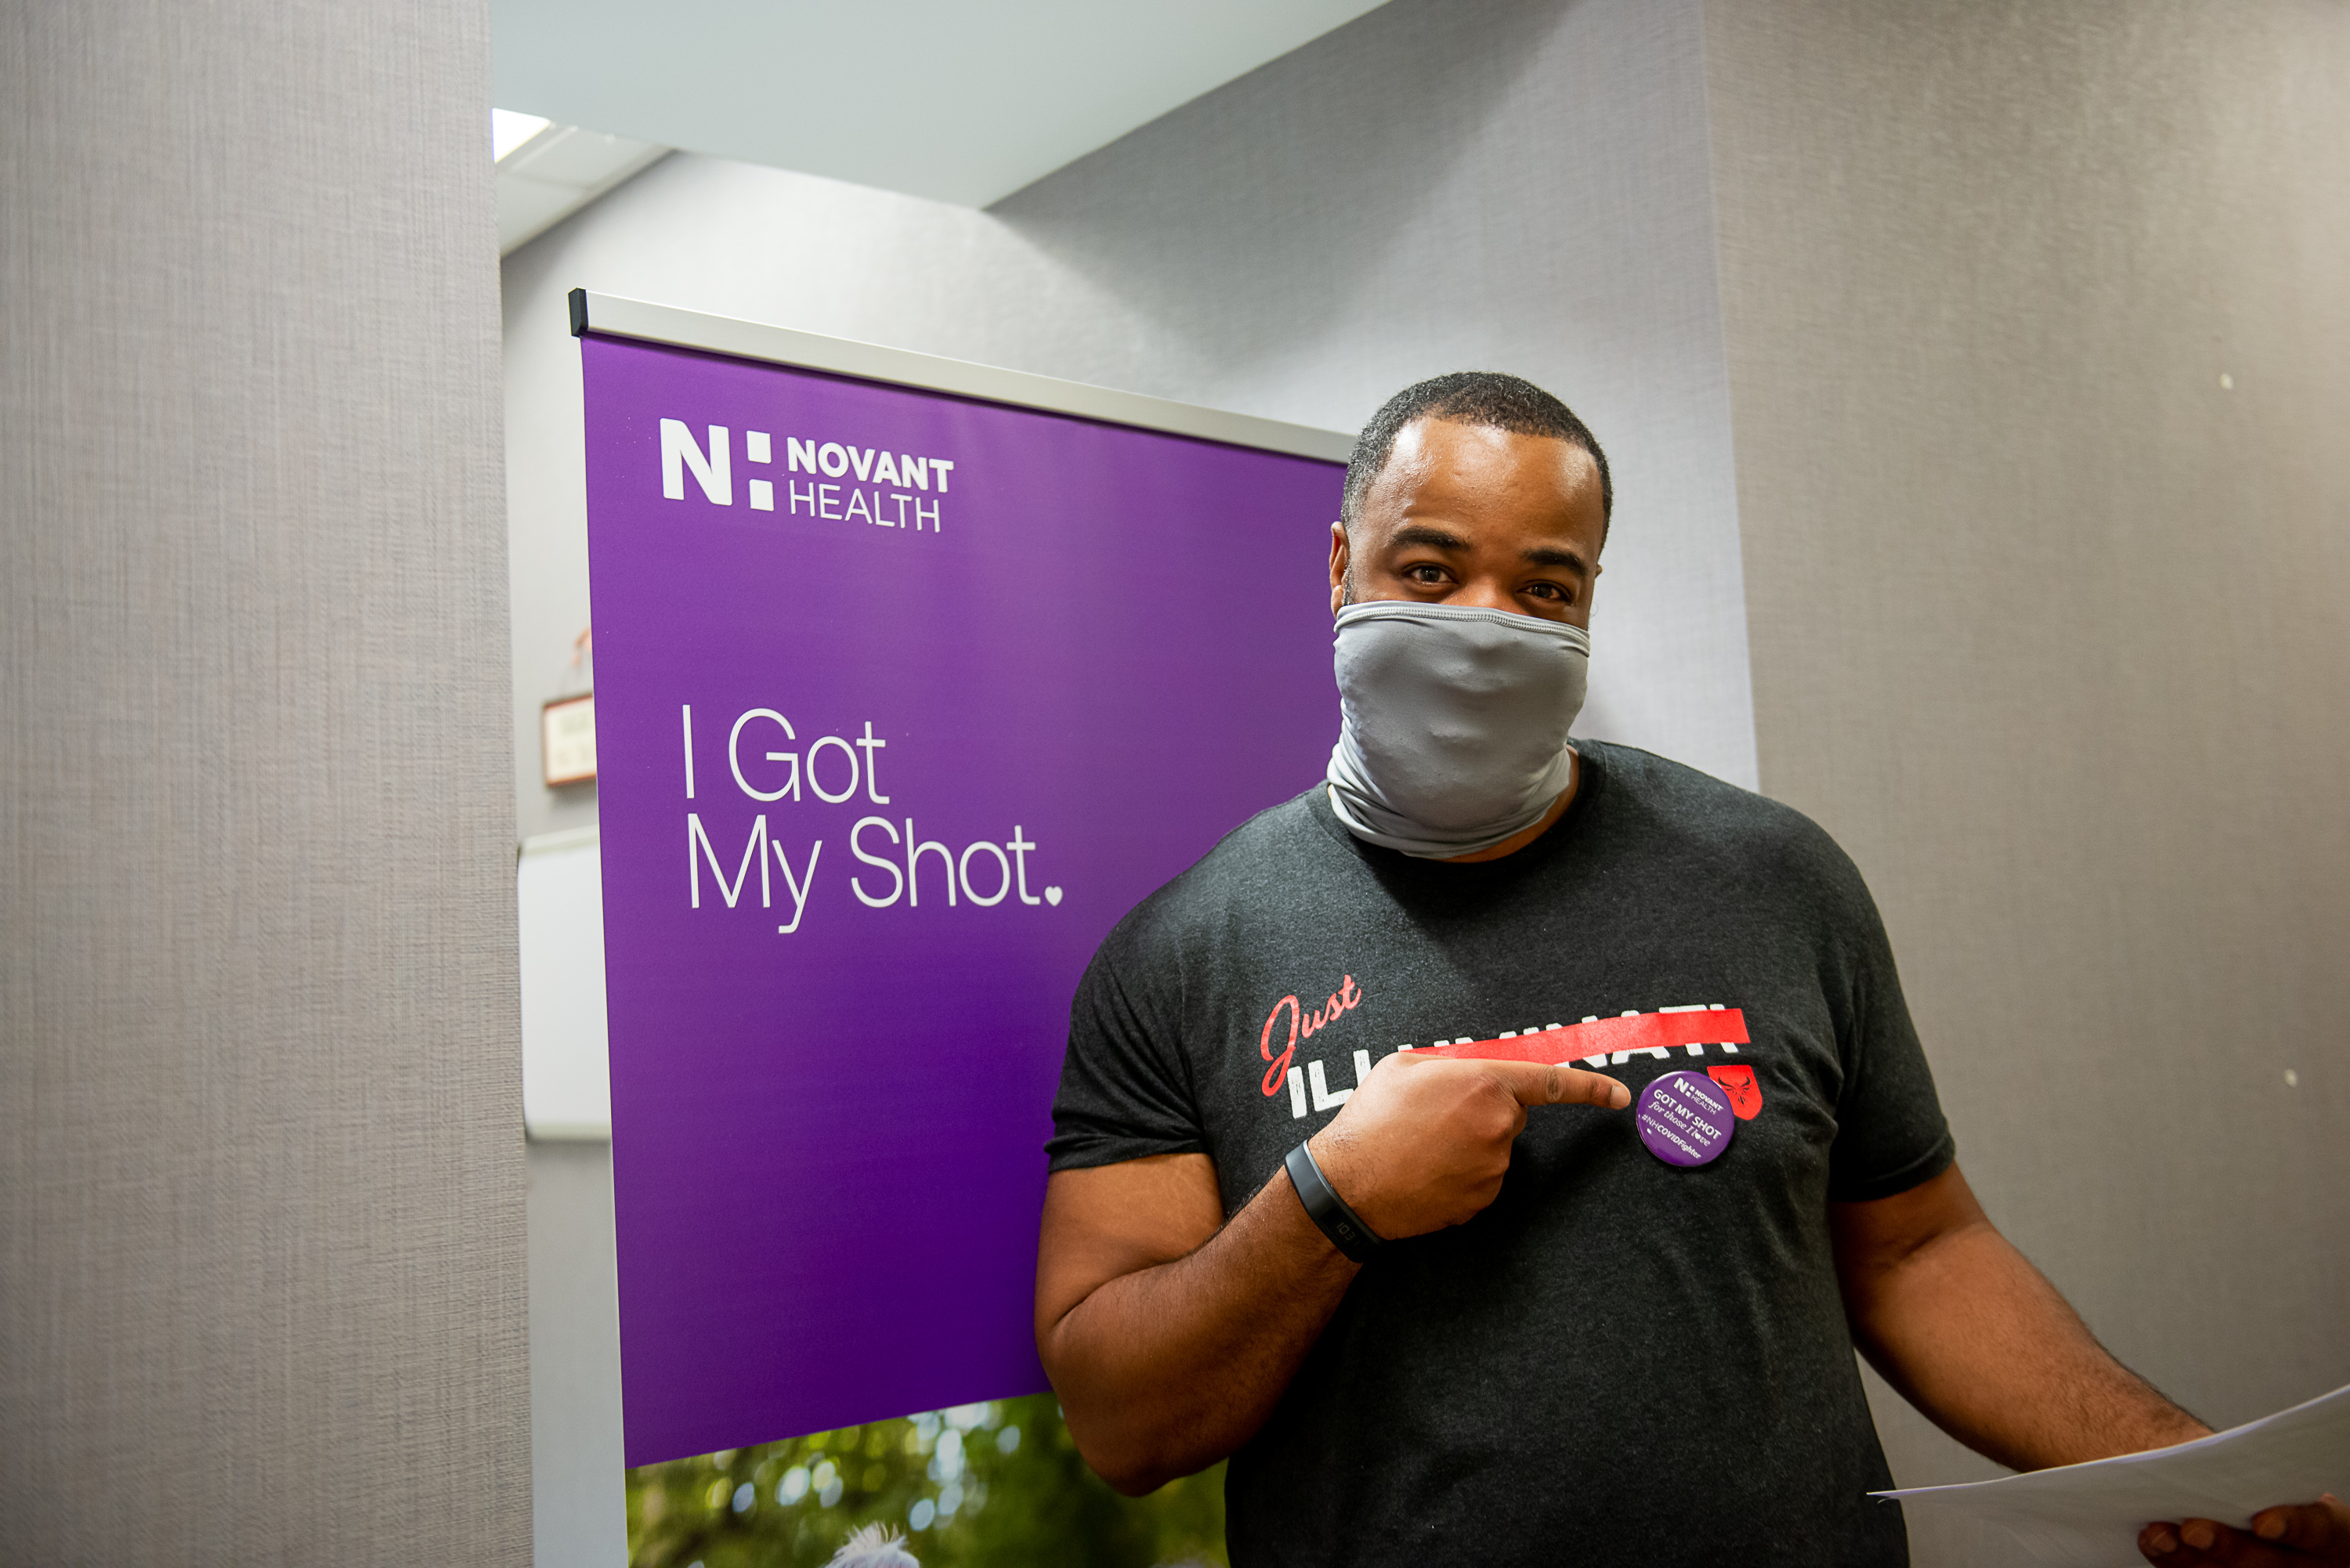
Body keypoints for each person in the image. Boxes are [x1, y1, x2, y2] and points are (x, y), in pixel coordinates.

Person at [1032, 372, 2349, 1567]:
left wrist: (2182, 1467)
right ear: (1339, 567)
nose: (1488, 628)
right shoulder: (1183, 956)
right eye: (1430, 571)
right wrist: (1334, 1196)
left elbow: (1915, 1250)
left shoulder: (1775, 877)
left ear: (1591, 597)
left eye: (1544, 588)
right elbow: (1122, 1420)